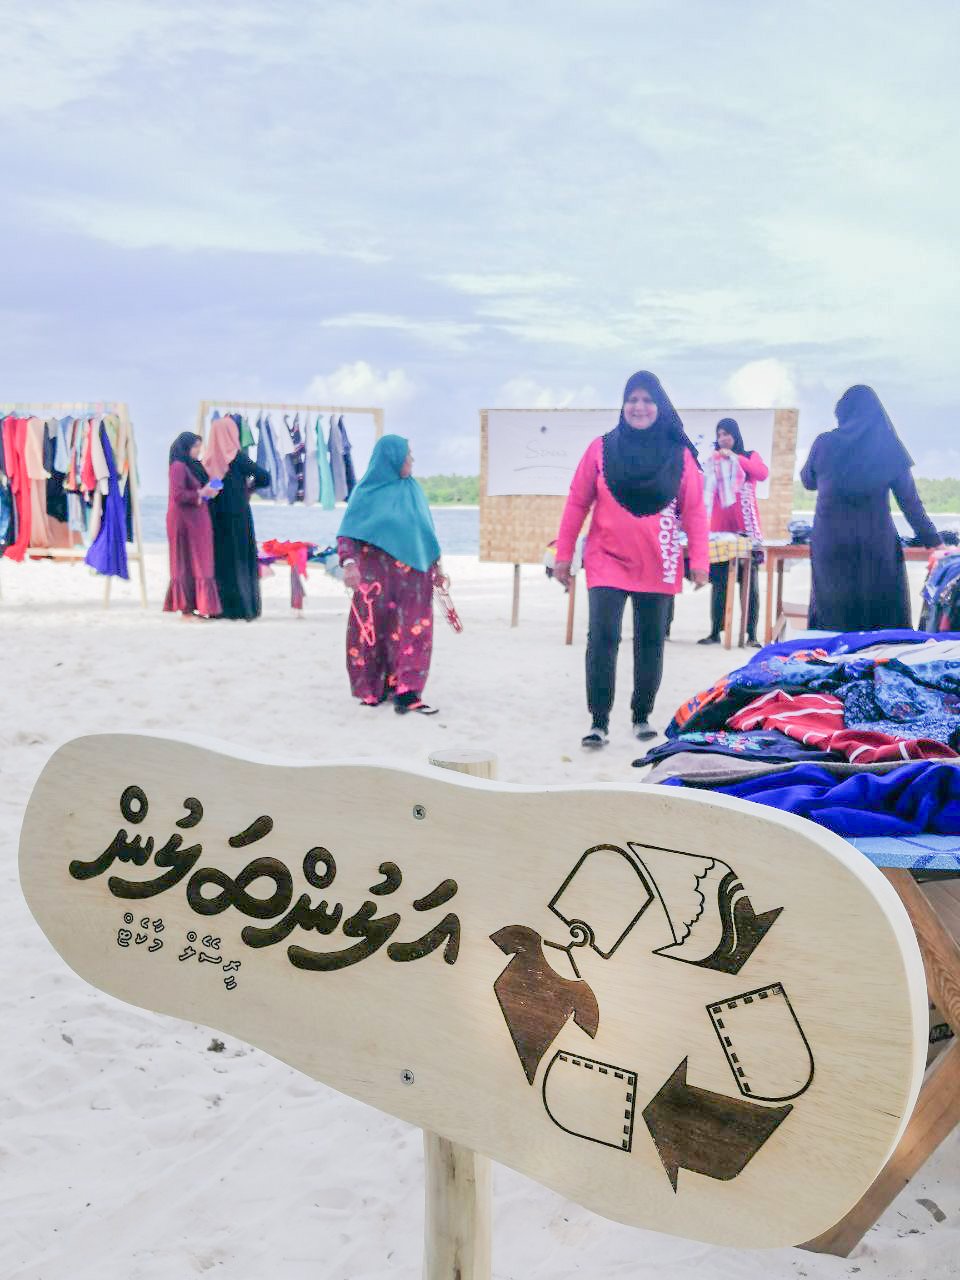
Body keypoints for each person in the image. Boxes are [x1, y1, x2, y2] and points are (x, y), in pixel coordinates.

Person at [555, 371, 709, 749]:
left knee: (650, 641)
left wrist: (700, 561)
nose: (639, 407)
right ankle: (599, 721)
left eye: (647, 400)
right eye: (632, 399)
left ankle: (641, 716)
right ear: (623, 405)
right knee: (602, 638)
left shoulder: (679, 455)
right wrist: (563, 556)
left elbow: (694, 510)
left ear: (660, 406)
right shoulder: (600, 449)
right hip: (605, 558)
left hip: (659, 559)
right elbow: (576, 503)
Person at [801, 385, 941, 631]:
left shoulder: (824, 443)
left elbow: (808, 481)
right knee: (880, 619)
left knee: (833, 618)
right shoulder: (888, 446)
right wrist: (934, 541)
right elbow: (910, 502)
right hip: (875, 545)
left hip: (831, 544)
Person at [337, 434, 444, 714]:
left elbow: (426, 533)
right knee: (373, 632)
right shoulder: (366, 492)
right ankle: (373, 688)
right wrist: (349, 564)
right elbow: (347, 532)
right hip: (375, 579)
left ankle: (408, 692)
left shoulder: (413, 491)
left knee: (414, 632)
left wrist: (437, 567)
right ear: (392, 458)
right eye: (408, 455)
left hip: (415, 579)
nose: (412, 460)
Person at [698, 417, 768, 647]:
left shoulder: (749, 456)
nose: (723, 439)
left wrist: (736, 458)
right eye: (719, 435)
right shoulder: (715, 461)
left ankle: (751, 635)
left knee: (750, 586)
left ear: (735, 435)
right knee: (719, 583)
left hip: (747, 530)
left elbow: (762, 473)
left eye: (726, 434)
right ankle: (715, 632)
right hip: (720, 531)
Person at [205, 416, 270, 620]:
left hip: (216, 518)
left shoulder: (209, 459)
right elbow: (264, 477)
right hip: (239, 516)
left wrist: (220, 487)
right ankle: (243, 608)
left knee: (221, 561)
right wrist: (249, 488)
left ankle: (220, 609)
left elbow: (212, 486)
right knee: (240, 560)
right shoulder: (238, 458)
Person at [163, 432, 221, 621]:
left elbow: (201, 488)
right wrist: (200, 493)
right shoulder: (178, 467)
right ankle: (186, 610)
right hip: (183, 521)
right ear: (186, 447)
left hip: (197, 520)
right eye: (195, 447)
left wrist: (208, 491)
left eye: (199, 447)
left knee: (200, 562)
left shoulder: (193, 466)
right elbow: (178, 495)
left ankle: (199, 606)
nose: (198, 450)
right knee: (184, 562)